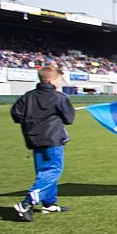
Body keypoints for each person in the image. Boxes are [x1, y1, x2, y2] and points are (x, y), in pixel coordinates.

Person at [10, 66, 75, 221]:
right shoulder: (59, 97)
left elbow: (16, 113)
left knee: (43, 171)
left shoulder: (28, 96)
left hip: (34, 138)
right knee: (53, 170)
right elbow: (69, 119)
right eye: (58, 79)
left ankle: (49, 203)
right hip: (53, 139)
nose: (59, 81)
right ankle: (28, 202)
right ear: (52, 80)